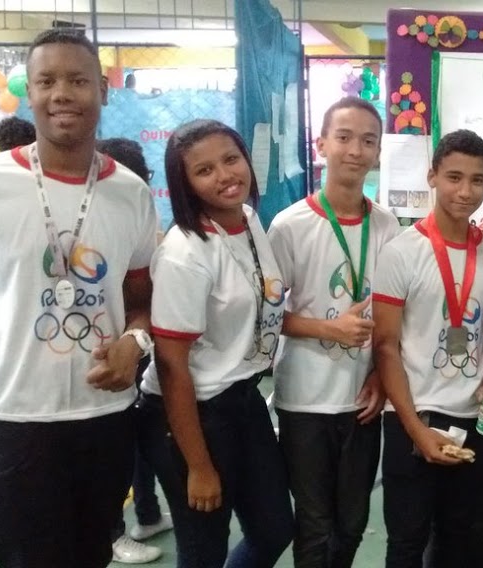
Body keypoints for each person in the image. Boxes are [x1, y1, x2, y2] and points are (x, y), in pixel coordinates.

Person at [0, 29, 158, 568]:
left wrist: (136, 343)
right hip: (14, 416)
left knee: (91, 556)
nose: (62, 94)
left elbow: (141, 300)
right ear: (30, 91)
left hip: (104, 415)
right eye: (47, 81)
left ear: (102, 89)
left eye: (77, 80)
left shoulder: (131, 192)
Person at [138, 119, 294, 567]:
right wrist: (199, 465)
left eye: (231, 159)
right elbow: (171, 365)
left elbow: (260, 308)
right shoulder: (184, 253)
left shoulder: (248, 219)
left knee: (274, 529)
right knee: (203, 549)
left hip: (243, 399)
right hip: (190, 414)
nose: (225, 176)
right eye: (204, 170)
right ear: (184, 183)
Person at [372, 129, 483, 568]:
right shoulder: (401, 253)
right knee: (406, 542)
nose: (465, 191)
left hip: (472, 416)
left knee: (459, 538)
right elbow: (385, 347)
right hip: (413, 415)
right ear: (432, 176)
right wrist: (415, 431)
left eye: (477, 180)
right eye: (454, 177)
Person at [267, 97, 398, 567]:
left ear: (378, 152)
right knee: (315, 524)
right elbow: (265, 317)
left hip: (360, 399)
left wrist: (381, 375)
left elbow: (391, 315)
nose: (355, 150)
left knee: (353, 522)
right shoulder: (289, 226)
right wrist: (329, 328)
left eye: (368, 141)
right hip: (305, 400)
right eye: (343, 137)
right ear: (321, 145)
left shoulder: (386, 225)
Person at [95, 137, 173, 565]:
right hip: (104, 351)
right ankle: (114, 531)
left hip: (135, 342)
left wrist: (138, 336)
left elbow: (144, 290)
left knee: (136, 434)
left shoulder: (137, 209)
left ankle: (145, 512)